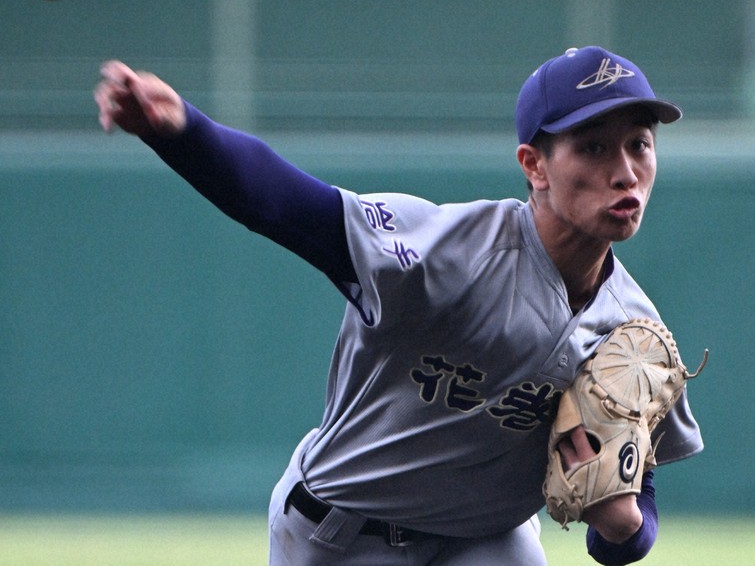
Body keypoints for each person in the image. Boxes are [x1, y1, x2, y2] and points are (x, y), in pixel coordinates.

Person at [94, 45, 703, 565]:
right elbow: (287, 206)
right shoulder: (448, 252)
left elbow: (626, 525)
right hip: (343, 531)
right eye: (594, 148)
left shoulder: (634, 332)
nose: (625, 171)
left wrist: (625, 525)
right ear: (534, 165)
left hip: (484, 540)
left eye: (639, 145)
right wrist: (180, 131)